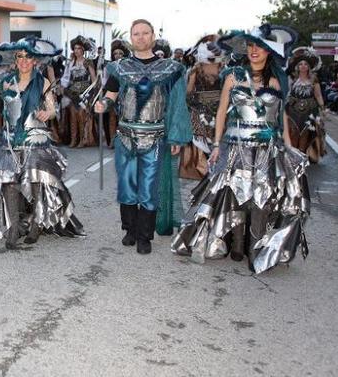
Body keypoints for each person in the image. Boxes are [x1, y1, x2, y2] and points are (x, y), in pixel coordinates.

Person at [172, 25, 310, 274]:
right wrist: (215, 146)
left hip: (267, 148)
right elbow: (222, 115)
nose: (254, 50)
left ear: (269, 51)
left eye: (259, 46)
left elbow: (281, 119)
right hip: (235, 147)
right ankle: (236, 243)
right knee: (233, 193)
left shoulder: (277, 81)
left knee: (262, 196)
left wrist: (289, 149)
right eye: (250, 46)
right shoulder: (234, 76)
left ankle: (255, 245)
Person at [94, 19, 192, 254]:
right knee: (127, 186)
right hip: (126, 134)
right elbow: (111, 95)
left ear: (153, 36)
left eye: (145, 33)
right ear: (131, 37)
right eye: (136, 33)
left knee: (148, 187)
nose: (140, 37)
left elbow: (178, 105)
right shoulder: (120, 67)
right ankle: (130, 229)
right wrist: (103, 104)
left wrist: (176, 137)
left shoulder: (170, 69)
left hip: (154, 135)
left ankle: (144, 235)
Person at [0, 38, 84, 249]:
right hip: (11, 140)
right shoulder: (6, 81)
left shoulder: (43, 82)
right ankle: (13, 229)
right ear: (15, 59)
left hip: (35, 139)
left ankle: (36, 225)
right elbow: (3, 109)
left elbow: (53, 109)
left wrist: (46, 112)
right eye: (20, 56)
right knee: (9, 183)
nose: (23, 61)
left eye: (28, 57)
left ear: (35, 61)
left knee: (37, 183)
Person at [179, 35, 224, 180]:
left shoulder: (225, 70)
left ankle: (212, 169)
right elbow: (189, 92)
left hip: (217, 111)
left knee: (215, 141)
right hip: (199, 111)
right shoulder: (195, 70)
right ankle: (202, 169)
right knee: (199, 141)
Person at [286, 47, 326, 163]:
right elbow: (286, 93)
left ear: (309, 67)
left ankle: (301, 157)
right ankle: (292, 156)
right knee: (293, 133)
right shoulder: (292, 79)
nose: (303, 66)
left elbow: (318, 95)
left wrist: (322, 108)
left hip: (310, 110)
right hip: (293, 110)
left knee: (305, 133)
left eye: (305, 64)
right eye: (300, 64)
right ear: (297, 67)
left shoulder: (314, 79)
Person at [60, 36, 98, 148]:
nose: (76, 51)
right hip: (72, 92)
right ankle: (73, 140)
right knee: (73, 116)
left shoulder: (88, 62)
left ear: (83, 50)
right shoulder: (71, 63)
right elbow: (66, 77)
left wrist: (91, 92)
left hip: (84, 92)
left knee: (82, 115)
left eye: (79, 48)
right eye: (75, 48)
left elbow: (94, 78)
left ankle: (83, 139)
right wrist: (62, 87)